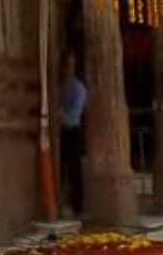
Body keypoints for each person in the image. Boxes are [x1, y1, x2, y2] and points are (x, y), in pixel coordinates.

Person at [60, 51, 87, 217]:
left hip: (72, 130)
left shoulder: (78, 88)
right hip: (61, 131)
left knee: (74, 169)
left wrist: (60, 116)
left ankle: (77, 206)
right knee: (62, 169)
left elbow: (74, 113)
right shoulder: (59, 86)